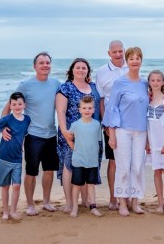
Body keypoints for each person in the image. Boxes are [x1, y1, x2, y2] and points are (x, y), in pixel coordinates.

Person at [1, 52, 61, 215]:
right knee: (31, 171)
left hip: (51, 134)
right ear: (34, 66)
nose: (45, 65)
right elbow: (9, 106)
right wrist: (3, 126)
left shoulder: (56, 83)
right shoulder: (25, 85)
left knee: (49, 170)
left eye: (48, 62)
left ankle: (47, 202)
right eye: (41, 63)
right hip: (33, 136)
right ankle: (30, 205)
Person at [102, 46, 149, 216]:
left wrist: (150, 138)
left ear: (141, 61)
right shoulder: (120, 82)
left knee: (137, 167)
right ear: (127, 61)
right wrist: (112, 135)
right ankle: (122, 203)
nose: (135, 61)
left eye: (138, 58)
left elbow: (148, 110)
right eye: (131, 58)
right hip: (122, 131)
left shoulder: (145, 83)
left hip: (141, 132)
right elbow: (112, 108)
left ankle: (135, 202)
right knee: (123, 167)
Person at [54, 58, 102, 214]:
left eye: (84, 68)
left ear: (88, 71)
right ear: (72, 70)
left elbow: (99, 108)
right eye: (78, 67)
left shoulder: (93, 87)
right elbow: (60, 111)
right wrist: (64, 131)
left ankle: (86, 200)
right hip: (71, 134)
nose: (81, 70)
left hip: (91, 134)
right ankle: (69, 203)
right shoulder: (66, 88)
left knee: (88, 165)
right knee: (70, 167)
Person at [95, 39, 127, 210]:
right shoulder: (102, 72)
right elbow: (100, 100)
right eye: (114, 52)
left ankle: (127, 196)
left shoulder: (131, 66)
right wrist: (105, 124)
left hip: (130, 123)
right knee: (113, 161)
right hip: (111, 124)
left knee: (128, 161)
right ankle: (113, 198)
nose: (118, 55)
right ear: (109, 53)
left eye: (120, 51)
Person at [0, 92, 30, 221]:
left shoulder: (27, 119)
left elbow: (24, 135)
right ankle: (5, 212)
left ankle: (13, 211)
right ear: (10, 106)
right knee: (5, 186)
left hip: (17, 158)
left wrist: (23, 145)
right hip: (4, 158)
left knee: (17, 185)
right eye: (14, 104)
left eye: (20, 104)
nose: (17, 106)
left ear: (24, 105)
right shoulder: (7, 119)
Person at [65, 95, 104, 218]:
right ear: (80, 110)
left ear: (93, 110)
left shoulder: (97, 124)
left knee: (91, 184)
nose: (87, 110)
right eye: (84, 108)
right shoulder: (75, 124)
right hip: (78, 160)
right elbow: (69, 138)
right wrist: (74, 148)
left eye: (89, 108)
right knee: (77, 185)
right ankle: (75, 207)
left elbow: (98, 141)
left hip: (92, 161)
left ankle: (93, 206)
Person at [145, 69, 164, 214]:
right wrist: (147, 143)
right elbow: (146, 125)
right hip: (152, 140)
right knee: (156, 171)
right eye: (152, 80)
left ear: (163, 82)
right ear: (149, 82)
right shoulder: (147, 100)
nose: (155, 83)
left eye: (158, 80)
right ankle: (160, 203)